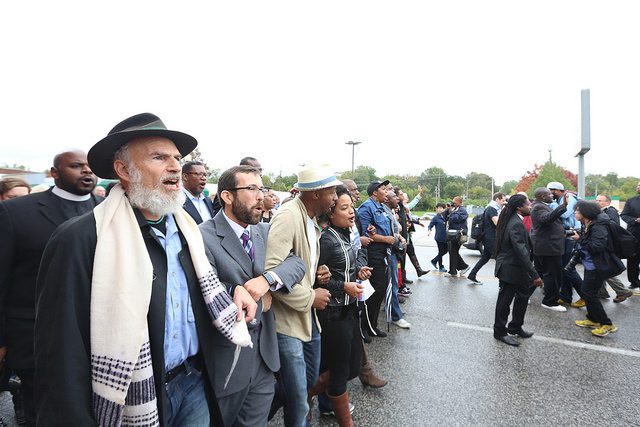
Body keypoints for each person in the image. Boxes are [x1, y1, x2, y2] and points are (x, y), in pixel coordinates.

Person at [34, 113, 256, 426]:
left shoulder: (188, 231)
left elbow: (196, 291)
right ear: (123, 169)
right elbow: (60, 347)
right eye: (158, 157)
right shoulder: (82, 238)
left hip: (192, 383)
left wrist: (235, 290)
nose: (175, 166)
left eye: (177, 158)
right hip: (132, 398)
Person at [199, 165, 305, 426]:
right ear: (227, 196)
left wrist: (267, 281)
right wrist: (259, 300)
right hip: (227, 361)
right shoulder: (202, 236)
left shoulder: (265, 231)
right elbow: (207, 288)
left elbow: (296, 264)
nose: (261, 196)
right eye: (252, 189)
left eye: (262, 189)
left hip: (264, 359)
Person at [0, 150, 100, 426]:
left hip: (95, 339)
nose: (87, 172)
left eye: (90, 167)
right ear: (55, 173)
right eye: (77, 166)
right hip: (35, 339)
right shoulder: (16, 212)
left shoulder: (110, 212)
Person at [264, 164, 337, 426]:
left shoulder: (309, 219)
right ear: (315, 194)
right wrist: (310, 297)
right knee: (297, 398)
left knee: (304, 389)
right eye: (332, 192)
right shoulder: (287, 216)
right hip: (289, 325)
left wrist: (316, 274)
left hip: (308, 321)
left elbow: (296, 264)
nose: (336, 198)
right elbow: (272, 273)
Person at [308, 185, 372, 426]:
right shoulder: (326, 240)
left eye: (352, 207)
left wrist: (359, 271)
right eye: (345, 208)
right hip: (332, 314)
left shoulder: (347, 234)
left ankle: (309, 392)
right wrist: (342, 287)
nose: (352, 212)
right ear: (331, 214)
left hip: (349, 310)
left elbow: (345, 268)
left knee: (352, 367)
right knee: (340, 372)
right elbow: (314, 279)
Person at [493, 194, 543, 346]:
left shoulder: (516, 220)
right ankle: (500, 332)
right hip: (509, 269)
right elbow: (520, 251)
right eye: (528, 204)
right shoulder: (515, 223)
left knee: (522, 297)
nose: (531, 206)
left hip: (518, 269)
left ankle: (515, 327)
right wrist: (534, 274)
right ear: (519, 208)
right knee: (504, 302)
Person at [572, 201, 625, 337]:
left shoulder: (598, 225)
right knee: (590, 292)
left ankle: (606, 324)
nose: (575, 213)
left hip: (597, 265)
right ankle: (593, 319)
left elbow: (598, 246)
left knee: (588, 293)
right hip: (591, 264)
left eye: (577, 211)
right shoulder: (590, 223)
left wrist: (580, 239)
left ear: (585, 213)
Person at [530, 187, 569, 312]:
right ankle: (550, 302)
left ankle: (523, 294)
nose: (552, 195)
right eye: (549, 194)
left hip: (546, 246)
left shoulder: (540, 205)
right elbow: (546, 219)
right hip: (548, 248)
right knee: (552, 275)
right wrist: (563, 206)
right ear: (542, 196)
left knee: (539, 273)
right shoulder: (538, 207)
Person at [547, 182, 584, 306]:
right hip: (564, 236)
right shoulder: (560, 200)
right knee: (563, 269)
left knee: (568, 268)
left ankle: (585, 296)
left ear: (557, 190)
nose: (549, 193)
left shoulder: (569, 198)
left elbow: (564, 213)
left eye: (551, 191)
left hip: (571, 236)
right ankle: (566, 297)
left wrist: (551, 205)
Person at [595, 194, 634, 303]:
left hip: (607, 246)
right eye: (596, 200)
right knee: (600, 269)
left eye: (600, 200)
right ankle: (602, 292)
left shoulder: (610, 211)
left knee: (606, 270)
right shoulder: (604, 211)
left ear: (607, 202)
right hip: (605, 245)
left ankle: (622, 291)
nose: (597, 202)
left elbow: (610, 228)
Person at [468, 192, 506, 285]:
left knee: (485, 258)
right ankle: (503, 282)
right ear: (497, 199)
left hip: (490, 237)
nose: (504, 202)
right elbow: (497, 223)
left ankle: (472, 275)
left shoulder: (493, 208)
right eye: (503, 200)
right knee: (501, 260)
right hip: (491, 238)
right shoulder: (492, 209)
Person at [620, 181, 640, 289]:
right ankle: (634, 281)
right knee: (633, 259)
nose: (638, 187)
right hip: (634, 235)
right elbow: (624, 215)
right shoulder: (631, 201)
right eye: (637, 185)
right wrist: (635, 220)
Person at [445, 196, 469, 277]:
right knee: (453, 252)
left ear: (460, 202)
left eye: (455, 202)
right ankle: (462, 267)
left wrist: (451, 211)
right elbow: (445, 217)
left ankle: (454, 271)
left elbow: (456, 218)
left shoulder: (463, 210)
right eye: (453, 202)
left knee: (453, 252)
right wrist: (448, 209)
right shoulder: (455, 209)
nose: (453, 203)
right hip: (453, 234)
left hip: (459, 234)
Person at [428, 203, 448, 272]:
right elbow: (430, 225)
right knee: (441, 252)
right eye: (438, 208)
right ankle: (441, 266)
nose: (439, 209)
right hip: (439, 238)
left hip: (446, 237)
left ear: (444, 209)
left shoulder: (446, 216)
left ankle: (434, 261)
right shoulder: (436, 218)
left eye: (441, 208)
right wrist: (429, 230)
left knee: (444, 251)